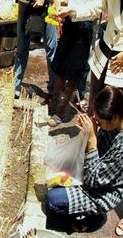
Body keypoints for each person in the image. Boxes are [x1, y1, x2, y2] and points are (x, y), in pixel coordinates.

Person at [45, 86, 123, 234]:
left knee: (52, 200)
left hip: (103, 191)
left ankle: (92, 220)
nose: (97, 125)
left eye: (99, 123)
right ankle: (87, 213)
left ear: (115, 118)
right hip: (93, 174)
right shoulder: (114, 125)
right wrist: (86, 135)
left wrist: (92, 140)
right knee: (54, 179)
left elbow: (95, 179)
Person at [58, 0, 123, 110]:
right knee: (95, 98)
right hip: (105, 48)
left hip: (120, 56)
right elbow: (95, 7)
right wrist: (72, 10)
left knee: (113, 105)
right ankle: (92, 130)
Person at [48, 0, 101, 126]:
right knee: (60, 64)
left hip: (84, 27)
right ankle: (53, 102)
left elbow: (93, 11)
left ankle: (63, 107)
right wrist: (60, 4)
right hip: (69, 23)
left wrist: (71, 10)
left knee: (73, 70)